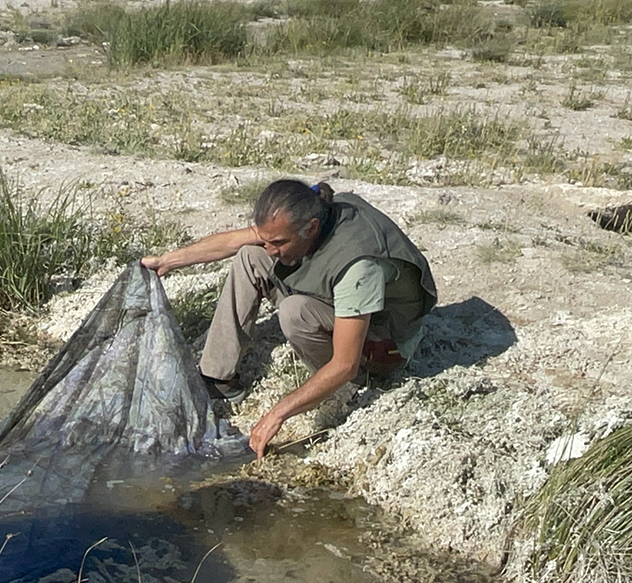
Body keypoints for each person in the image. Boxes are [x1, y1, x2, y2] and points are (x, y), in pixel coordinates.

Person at [142, 179, 436, 458]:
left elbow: (345, 364)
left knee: (295, 312)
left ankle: (347, 391)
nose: (270, 250)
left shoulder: (357, 264)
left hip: (384, 339)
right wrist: (169, 260)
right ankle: (218, 378)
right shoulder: (307, 213)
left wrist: (278, 414)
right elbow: (233, 242)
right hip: (341, 301)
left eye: (279, 243)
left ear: (311, 228)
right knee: (249, 256)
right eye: (268, 240)